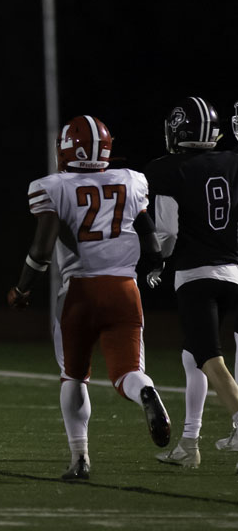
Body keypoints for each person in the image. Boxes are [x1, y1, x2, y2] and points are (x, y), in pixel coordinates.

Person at [7, 114, 170, 480]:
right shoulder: (131, 181)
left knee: (74, 376)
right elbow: (149, 235)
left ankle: (80, 458)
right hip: (124, 290)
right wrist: (155, 264)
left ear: (65, 149)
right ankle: (145, 392)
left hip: (79, 293)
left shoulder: (53, 186)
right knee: (129, 372)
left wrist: (23, 288)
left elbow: (42, 248)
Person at [144, 97, 238, 470]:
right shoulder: (232, 160)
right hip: (234, 272)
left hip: (197, 276)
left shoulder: (168, 169)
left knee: (210, 360)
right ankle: (189, 444)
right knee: (191, 357)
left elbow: (166, 231)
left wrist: (157, 260)